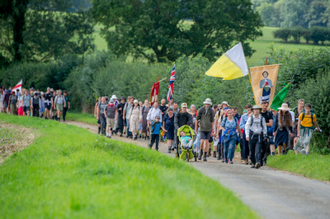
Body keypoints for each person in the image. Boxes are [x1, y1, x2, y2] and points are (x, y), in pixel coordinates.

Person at [260, 101, 273, 166]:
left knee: (265, 146)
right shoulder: (258, 113)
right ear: (261, 105)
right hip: (258, 132)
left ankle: (264, 159)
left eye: (266, 106)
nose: (265, 107)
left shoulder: (269, 114)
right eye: (264, 106)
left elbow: (271, 124)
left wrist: (263, 124)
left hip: (265, 132)